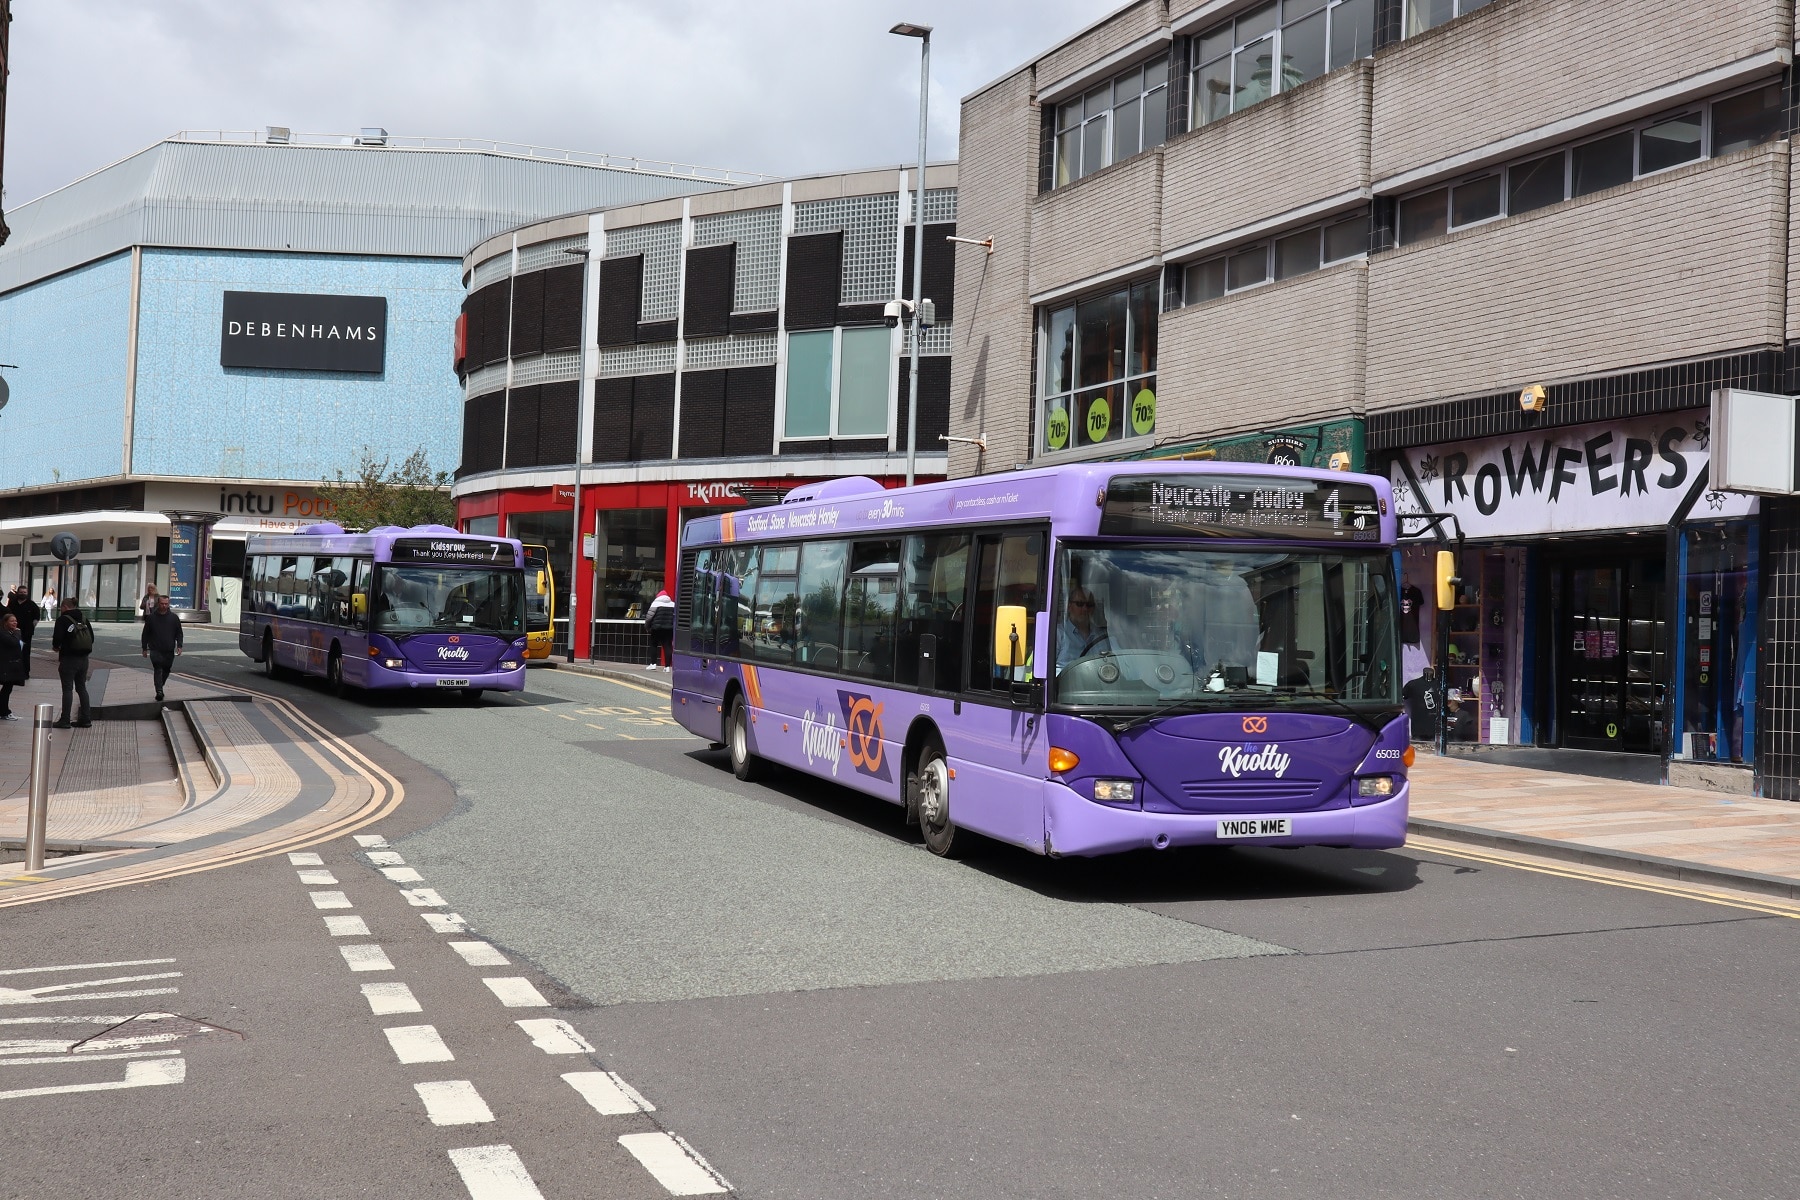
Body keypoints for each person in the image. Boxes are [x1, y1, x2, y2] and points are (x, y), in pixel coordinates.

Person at [50, 596, 93, 729]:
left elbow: (57, 638)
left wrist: (56, 647)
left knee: (67, 689)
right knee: (81, 688)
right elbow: (91, 638)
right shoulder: (84, 618)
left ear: (64, 607)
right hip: (84, 659)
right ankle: (86, 719)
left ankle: (65, 719)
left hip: (69, 658)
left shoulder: (63, 620)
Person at [1055, 586, 1110, 673]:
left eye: (1089, 605)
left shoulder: (1102, 636)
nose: (1085, 609)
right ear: (1069, 606)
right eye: (1080, 604)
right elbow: (1044, 671)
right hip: (1066, 684)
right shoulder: (1057, 633)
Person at [142, 593, 184, 702]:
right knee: (158, 669)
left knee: (166, 670)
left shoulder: (174, 618)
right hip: (155, 649)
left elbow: (179, 633)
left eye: (166, 604)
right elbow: (145, 633)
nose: (164, 606)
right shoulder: (151, 618)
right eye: (162, 604)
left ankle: (160, 685)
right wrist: (144, 648)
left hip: (169, 649)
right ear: (158, 603)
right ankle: (159, 691)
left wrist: (179, 645)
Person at [7, 585, 38, 680]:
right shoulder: (12, 603)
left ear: (27, 593)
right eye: (21, 592)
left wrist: (32, 626)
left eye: (25, 592)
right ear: (18, 592)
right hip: (13, 632)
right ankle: (12, 672)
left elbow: (36, 618)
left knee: (25, 653)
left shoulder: (32, 605)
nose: (23, 594)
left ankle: (25, 672)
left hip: (26, 633)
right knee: (12, 652)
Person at [0, 612, 24, 721]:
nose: (15, 623)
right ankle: (4, 712)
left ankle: (4, 710)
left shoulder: (10, 632)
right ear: (5, 622)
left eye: (15, 621)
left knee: (7, 689)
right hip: (5, 665)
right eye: (12, 621)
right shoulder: (4, 633)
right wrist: (17, 633)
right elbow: (14, 642)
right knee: (6, 689)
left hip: (10, 665)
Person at [646, 583, 675, 671]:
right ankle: (667, 667)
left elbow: (649, 616)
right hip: (668, 628)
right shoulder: (672, 604)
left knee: (654, 644)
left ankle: (653, 664)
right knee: (667, 646)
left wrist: (647, 626)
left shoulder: (655, 603)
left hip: (656, 628)